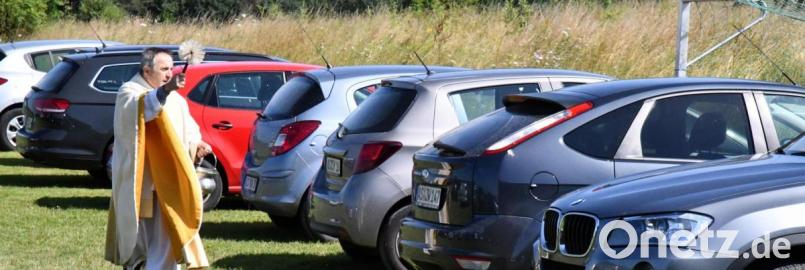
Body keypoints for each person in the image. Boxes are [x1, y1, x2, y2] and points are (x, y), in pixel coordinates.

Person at [105, 47, 211, 270]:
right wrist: (165, 91)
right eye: (164, 69)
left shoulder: (176, 100)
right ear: (146, 70)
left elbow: (188, 131)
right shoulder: (129, 92)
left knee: (165, 243)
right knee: (139, 242)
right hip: (140, 183)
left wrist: (197, 145)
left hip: (167, 183)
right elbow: (142, 109)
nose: (169, 74)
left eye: (171, 68)